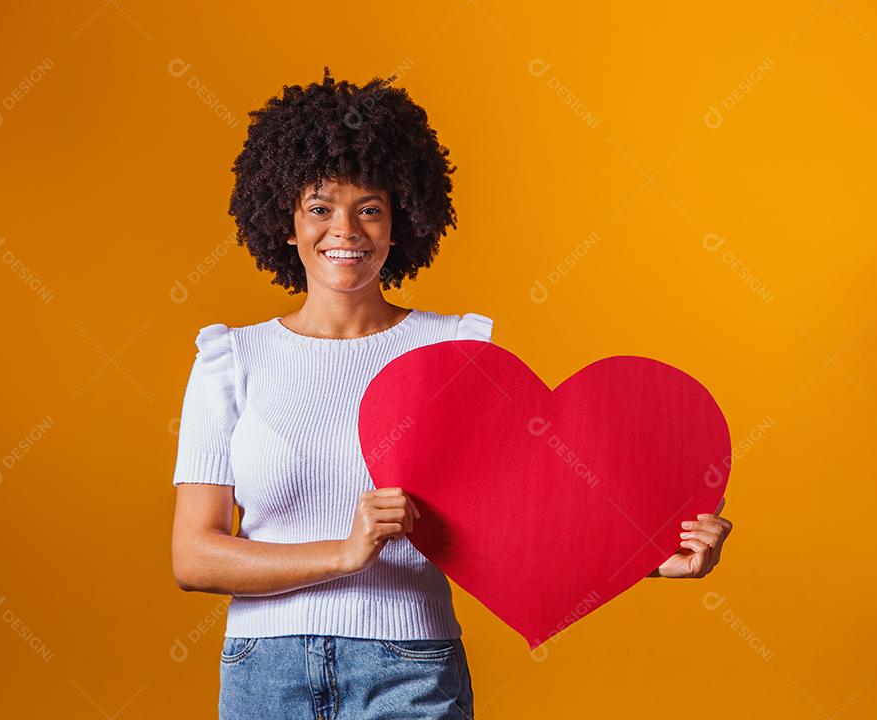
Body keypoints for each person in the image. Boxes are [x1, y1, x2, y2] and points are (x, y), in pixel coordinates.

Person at [170, 67, 732, 720]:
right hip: (263, 673)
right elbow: (195, 556)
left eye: (369, 209)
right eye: (320, 208)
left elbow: (526, 520)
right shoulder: (230, 360)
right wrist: (346, 553)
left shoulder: (456, 353)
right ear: (285, 222)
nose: (344, 230)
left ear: (401, 219)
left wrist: (658, 556)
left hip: (407, 666)